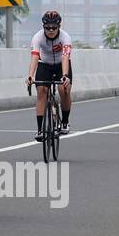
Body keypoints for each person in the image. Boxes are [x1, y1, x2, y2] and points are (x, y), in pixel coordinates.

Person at [25, 10, 73, 139]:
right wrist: (30, 75)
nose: (51, 30)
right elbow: (34, 57)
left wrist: (65, 76)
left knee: (64, 89)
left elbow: (65, 57)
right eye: (47, 28)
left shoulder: (65, 37)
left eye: (54, 27)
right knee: (41, 92)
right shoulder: (37, 37)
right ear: (43, 27)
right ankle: (40, 130)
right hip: (44, 64)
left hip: (60, 65)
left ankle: (65, 122)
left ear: (59, 27)